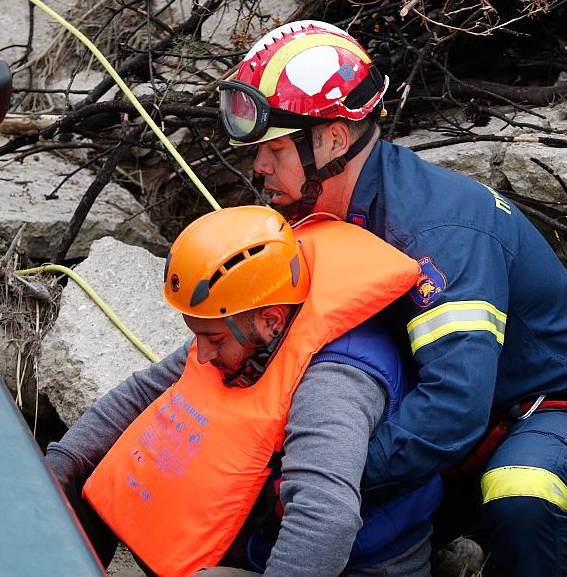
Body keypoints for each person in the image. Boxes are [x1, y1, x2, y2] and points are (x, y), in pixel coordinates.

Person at [218, 20, 567, 576]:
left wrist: (328, 477)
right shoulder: (323, 217)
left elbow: (454, 407)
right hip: (448, 430)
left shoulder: (434, 236)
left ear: (334, 139)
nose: (259, 166)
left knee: (521, 493)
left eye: (273, 149)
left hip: (548, 408)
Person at [46, 205, 443, 576]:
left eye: (213, 340)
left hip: (356, 566)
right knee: (76, 487)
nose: (201, 355)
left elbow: (325, 519)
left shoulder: (335, 383)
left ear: (270, 320)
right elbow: (140, 394)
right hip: (258, 537)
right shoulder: (250, 327)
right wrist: (57, 466)